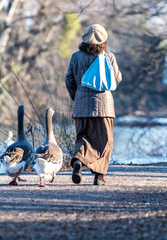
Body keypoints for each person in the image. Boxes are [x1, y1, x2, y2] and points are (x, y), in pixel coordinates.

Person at [65, 24, 122, 185]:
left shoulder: (76, 57)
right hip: (104, 107)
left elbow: (68, 80)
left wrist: (77, 97)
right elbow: (116, 79)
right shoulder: (108, 56)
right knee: (106, 141)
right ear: (104, 40)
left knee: (83, 137)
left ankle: (78, 160)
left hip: (81, 105)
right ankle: (99, 176)